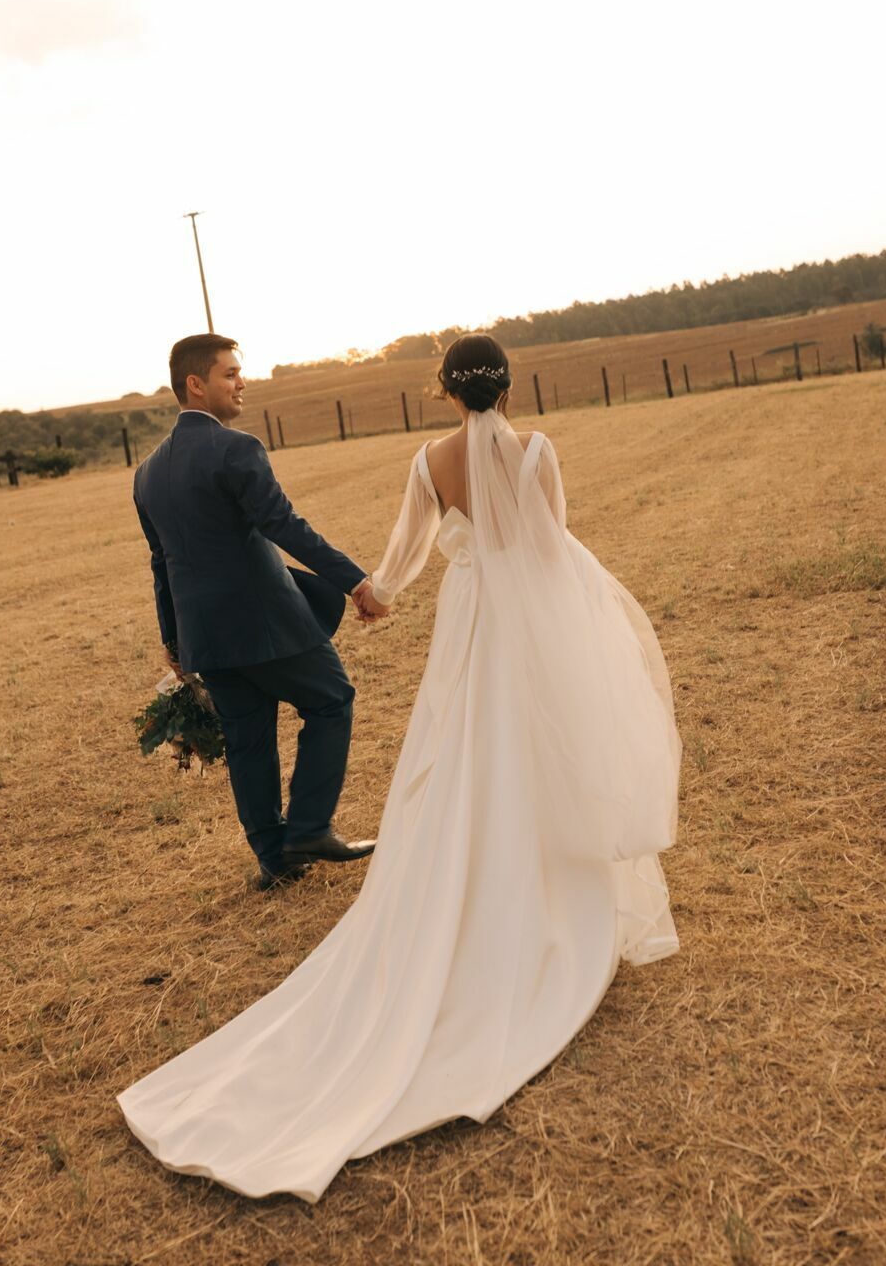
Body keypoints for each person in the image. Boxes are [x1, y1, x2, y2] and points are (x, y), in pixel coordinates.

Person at [119, 333, 682, 1201]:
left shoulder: (416, 459)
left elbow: (403, 545)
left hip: (432, 617)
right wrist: (366, 587)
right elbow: (543, 537)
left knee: (453, 744)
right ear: (507, 382)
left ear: (443, 390)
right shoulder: (533, 450)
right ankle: (359, 840)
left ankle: (280, 847)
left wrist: (374, 585)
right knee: (537, 731)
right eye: (230, 372)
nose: (242, 382)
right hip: (513, 605)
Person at [133, 333, 380, 890]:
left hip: (206, 637)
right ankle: (311, 827)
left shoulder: (146, 473)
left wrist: (175, 642)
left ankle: (275, 858)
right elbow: (284, 526)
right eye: (230, 374)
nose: (241, 382)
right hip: (267, 623)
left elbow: (160, 564)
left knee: (249, 740)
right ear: (195, 384)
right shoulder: (236, 448)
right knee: (332, 699)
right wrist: (354, 581)